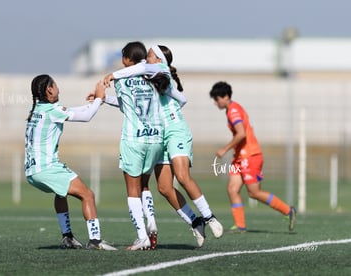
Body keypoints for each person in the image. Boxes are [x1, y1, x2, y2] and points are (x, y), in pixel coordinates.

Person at [103, 45, 223, 247]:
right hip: (160, 135)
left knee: (183, 176)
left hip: (175, 132)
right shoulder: (153, 76)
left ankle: (209, 217)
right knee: (165, 188)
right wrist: (104, 98)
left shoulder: (158, 70)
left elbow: (137, 69)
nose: (145, 58)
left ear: (160, 60)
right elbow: (181, 99)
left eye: (150, 55)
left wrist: (112, 74)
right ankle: (195, 222)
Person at [25, 74, 117, 250]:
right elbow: (87, 116)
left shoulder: (38, 110)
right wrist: (98, 97)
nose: (58, 88)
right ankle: (95, 241)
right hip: (47, 168)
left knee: (61, 194)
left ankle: (67, 237)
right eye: (56, 84)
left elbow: (77, 110)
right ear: (49, 89)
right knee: (88, 195)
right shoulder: (52, 111)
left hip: (32, 171)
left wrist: (98, 101)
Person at [97, 41, 166, 251]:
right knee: (145, 186)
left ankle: (142, 236)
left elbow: (125, 106)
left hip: (133, 139)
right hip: (155, 139)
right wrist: (105, 99)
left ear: (127, 59)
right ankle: (151, 220)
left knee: (132, 191)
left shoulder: (121, 80)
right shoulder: (154, 77)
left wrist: (102, 98)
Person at [209, 81, 297, 233]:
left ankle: (288, 211)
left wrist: (225, 149)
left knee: (254, 193)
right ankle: (240, 225)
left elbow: (241, 133)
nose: (215, 103)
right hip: (240, 157)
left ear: (225, 96)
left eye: (216, 99)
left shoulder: (233, 110)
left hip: (249, 156)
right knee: (232, 189)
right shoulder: (231, 109)